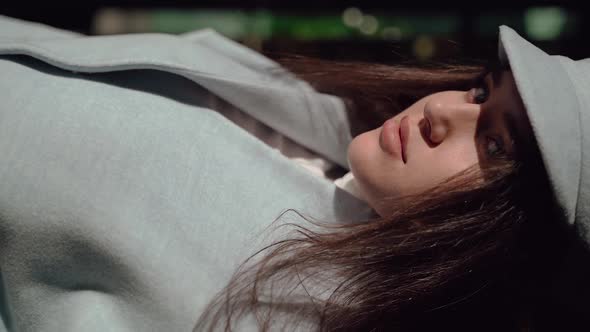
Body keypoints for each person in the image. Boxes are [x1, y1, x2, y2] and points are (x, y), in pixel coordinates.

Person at [0, 15, 587, 332]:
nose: (442, 110)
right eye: (482, 89)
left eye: (496, 144)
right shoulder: (327, 116)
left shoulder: (288, 310)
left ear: (519, 244)